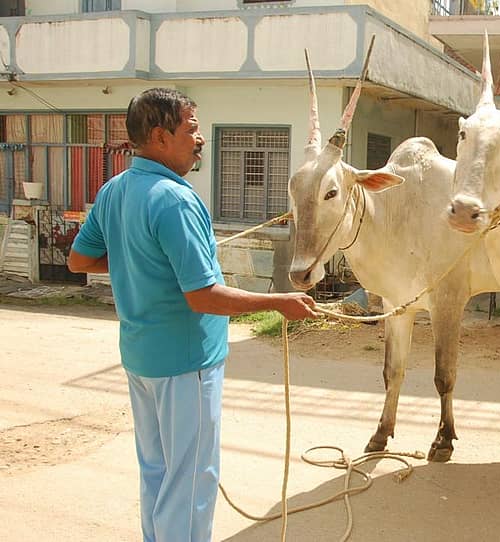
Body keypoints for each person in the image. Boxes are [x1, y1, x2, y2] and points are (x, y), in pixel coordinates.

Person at [67, 87, 318, 542]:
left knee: (158, 472)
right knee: (190, 481)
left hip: (142, 359)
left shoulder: (114, 190)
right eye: (193, 129)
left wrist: (136, 260)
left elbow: (79, 261)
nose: (199, 139)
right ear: (161, 137)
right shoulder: (175, 200)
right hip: (186, 365)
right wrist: (279, 303)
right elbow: (204, 297)